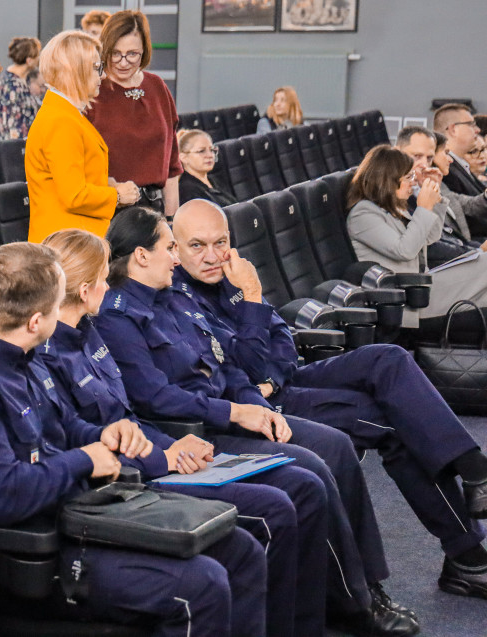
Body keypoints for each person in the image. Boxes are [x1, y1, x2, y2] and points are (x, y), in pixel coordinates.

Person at [94, 207, 419, 636]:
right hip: (195, 432)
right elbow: (153, 397)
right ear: (140, 255)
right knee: (309, 474)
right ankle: (350, 604)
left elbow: (226, 365)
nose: (178, 259)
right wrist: (236, 411)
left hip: (229, 412)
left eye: (216, 243)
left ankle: (351, 598)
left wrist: (254, 405)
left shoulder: (171, 295)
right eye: (174, 247)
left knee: (328, 453)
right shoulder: (118, 315)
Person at [0, 241, 269, 637]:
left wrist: (105, 434)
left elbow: (63, 424)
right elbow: (4, 495)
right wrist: (85, 459)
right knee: (199, 587)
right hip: (34, 555)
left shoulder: (19, 354)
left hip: (84, 511)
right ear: (36, 321)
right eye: (55, 310)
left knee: (240, 551)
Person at [172, 197, 487, 601]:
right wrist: (251, 296)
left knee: (388, 359)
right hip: (256, 406)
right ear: (175, 250)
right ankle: (467, 555)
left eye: (221, 242)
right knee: (396, 422)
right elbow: (240, 371)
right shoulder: (181, 296)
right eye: (198, 245)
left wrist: (273, 371)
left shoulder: (233, 272)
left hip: (283, 380)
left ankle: (475, 471)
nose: (213, 256)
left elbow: (282, 335)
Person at [40, 228, 330, 637]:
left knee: (301, 486)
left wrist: (173, 446)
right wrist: (165, 456)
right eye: (104, 277)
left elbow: (127, 418)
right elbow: (91, 439)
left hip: (158, 452)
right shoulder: (51, 353)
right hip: (124, 484)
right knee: (275, 509)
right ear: (86, 290)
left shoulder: (90, 333)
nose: (110, 284)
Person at [347, 144, 487, 321]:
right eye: (408, 177)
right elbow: (405, 250)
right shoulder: (363, 213)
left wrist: (434, 200)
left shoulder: (393, 207)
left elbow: (430, 238)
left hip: (424, 285)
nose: (413, 182)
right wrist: (424, 208)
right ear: (388, 179)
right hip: (409, 299)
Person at [25, 29, 138, 243]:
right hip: (68, 246)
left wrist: (105, 185)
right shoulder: (61, 120)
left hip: (73, 239)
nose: (103, 75)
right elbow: (74, 195)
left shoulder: (63, 113)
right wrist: (118, 195)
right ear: (74, 71)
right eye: (97, 68)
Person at [85, 10, 181, 217]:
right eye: (115, 53)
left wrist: (172, 218)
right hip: (110, 209)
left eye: (132, 54)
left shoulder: (157, 86)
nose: (123, 62)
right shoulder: (91, 91)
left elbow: (172, 164)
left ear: (144, 51)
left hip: (155, 207)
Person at [397, 126, 487, 258]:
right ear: (397, 153)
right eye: (417, 156)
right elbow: (427, 247)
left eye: (428, 158)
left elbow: (436, 236)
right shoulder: (396, 193)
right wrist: (477, 252)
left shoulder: (435, 185)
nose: (424, 164)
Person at [0, 36, 40, 140]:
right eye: (36, 57)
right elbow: (14, 123)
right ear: (29, 61)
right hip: (13, 147)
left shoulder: (23, 80)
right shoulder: (11, 85)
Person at [435, 103, 485, 196]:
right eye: (471, 125)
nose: (477, 130)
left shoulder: (460, 166)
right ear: (453, 129)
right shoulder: (446, 172)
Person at [176, 130, 236, 207]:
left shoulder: (214, 180)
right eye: (201, 151)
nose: (210, 155)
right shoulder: (186, 191)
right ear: (183, 158)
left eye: (211, 150)